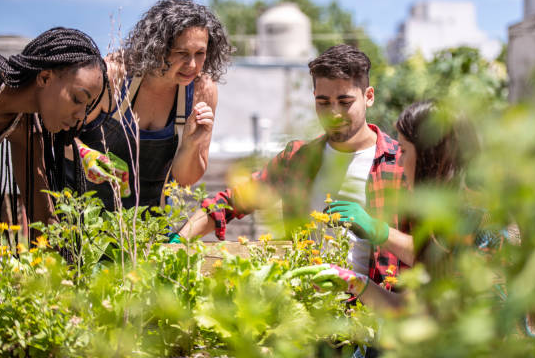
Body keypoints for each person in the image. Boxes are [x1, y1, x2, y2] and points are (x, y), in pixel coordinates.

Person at [175, 44, 413, 287]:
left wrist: (378, 230)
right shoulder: (297, 159)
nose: (333, 113)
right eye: (323, 102)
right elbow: (229, 202)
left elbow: (433, 254)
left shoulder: (401, 162)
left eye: (344, 101)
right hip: (309, 310)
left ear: (369, 97)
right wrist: (176, 241)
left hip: (377, 314)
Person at [294, 100, 492, 311]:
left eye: (404, 151)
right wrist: (352, 281)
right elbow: (407, 309)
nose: (398, 162)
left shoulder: (478, 222)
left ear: (429, 156)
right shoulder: (445, 218)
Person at [65, 0, 233, 210]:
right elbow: (56, 135)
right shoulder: (113, 75)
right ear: (157, 47)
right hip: (82, 213)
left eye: (200, 53)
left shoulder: (202, 90)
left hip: (148, 224)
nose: (192, 65)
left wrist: (191, 144)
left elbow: (185, 180)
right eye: (182, 54)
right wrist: (85, 155)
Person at [0, 27, 108, 262]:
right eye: (77, 99)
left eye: (87, 108)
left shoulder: (24, 123)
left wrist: (63, 268)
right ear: (44, 78)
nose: (80, 116)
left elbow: (41, 214)